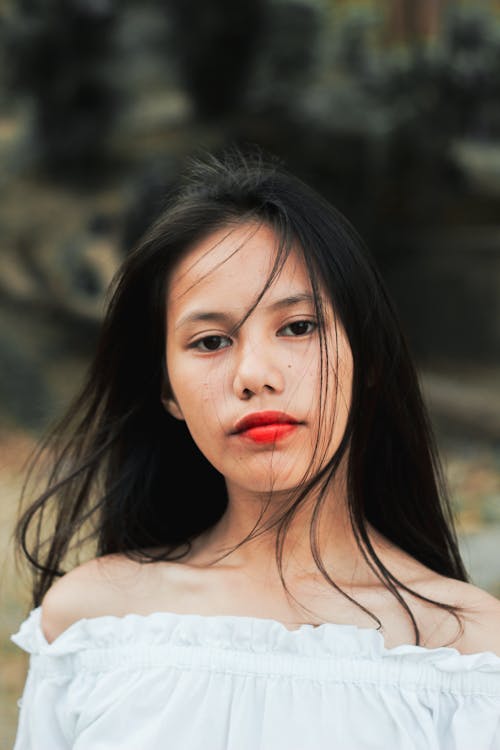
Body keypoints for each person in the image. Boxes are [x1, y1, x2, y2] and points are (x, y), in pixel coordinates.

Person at [11, 147, 500, 749]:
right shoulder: (92, 623)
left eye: (298, 327)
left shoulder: (467, 656)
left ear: (368, 358)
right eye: (211, 341)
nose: (255, 374)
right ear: (167, 389)